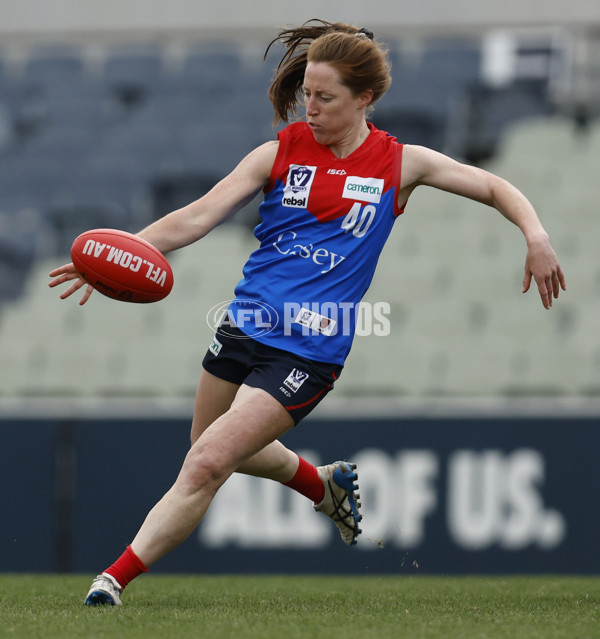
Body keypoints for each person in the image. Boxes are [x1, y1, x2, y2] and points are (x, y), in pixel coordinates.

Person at [49, 19, 566, 606]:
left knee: (208, 463)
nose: (310, 108)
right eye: (306, 94)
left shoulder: (401, 164)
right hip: (243, 326)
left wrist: (536, 234)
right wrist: (122, 254)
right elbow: (196, 217)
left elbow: (495, 187)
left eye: (325, 97)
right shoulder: (279, 152)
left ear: (364, 98)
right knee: (206, 448)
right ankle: (322, 487)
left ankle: (111, 580)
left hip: (310, 349)